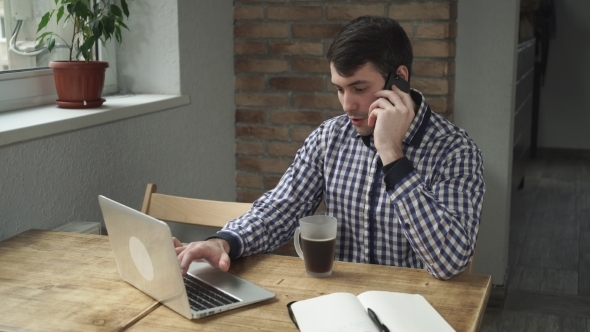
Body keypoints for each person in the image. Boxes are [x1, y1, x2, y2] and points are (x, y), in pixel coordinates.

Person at [174, 15, 485, 280]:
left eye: (359, 88)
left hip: (415, 312)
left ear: (399, 80)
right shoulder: (329, 138)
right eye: (339, 89)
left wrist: (392, 154)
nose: (348, 104)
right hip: (340, 309)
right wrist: (224, 242)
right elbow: (281, 208)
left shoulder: (456, 151)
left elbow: (449, 262)